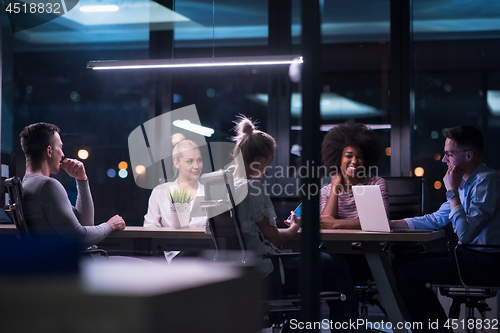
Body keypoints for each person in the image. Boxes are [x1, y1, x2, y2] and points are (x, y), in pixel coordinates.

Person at [231, 116, 356, 329]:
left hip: (238, 271)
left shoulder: (225, 186)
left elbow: (253, 232)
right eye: (270, 160)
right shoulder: (252, 189)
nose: (271, 165)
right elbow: (275, 236)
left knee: (339, 284)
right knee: (338, 263)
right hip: (266, 273)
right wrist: (294, 228)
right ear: (260, 161)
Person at [391, 125, 500, 333]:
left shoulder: (487, 181)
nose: (443, 159)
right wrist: (391, 224)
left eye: (449, 154)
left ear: (469, 155)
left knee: (407, 275)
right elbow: (436, 220)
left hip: (485, 261)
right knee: (401, 264)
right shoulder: (464, 183)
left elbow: (465, 235)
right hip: (468, 257)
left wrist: (452, 192)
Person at [20, 122, 126, 248]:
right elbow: (79, 238)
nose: (63, 154)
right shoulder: (47, 185)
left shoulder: (26, 183)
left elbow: (86, 224)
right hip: (68, 263)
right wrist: (110, 226)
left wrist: (81, 179)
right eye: (60, 147)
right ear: (49, 151)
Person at [319, 120, 389, 229]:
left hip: (370, 244)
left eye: (359, 157)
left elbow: (379, 222)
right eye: (348, 156)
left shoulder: (376, 184)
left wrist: (336, 224)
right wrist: (335, 187)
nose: (355, 161)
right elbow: (325, 223)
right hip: (338, 245)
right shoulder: (326, 191)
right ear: (338, 159)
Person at [143, 133, 205, 228]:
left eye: (199, 160)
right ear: (176, 163)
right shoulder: (160, 192)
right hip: (168, 242)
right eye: (190, 161)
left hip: (202, 243)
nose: (197, 166)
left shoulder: (208, 193)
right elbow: (150, 225)